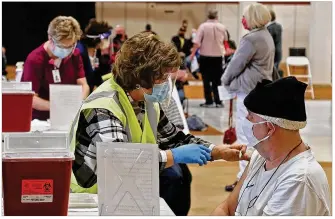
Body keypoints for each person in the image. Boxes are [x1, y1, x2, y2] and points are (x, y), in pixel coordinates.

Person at [69, 32, 249, 216]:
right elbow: (121, 164)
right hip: (91, 201)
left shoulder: (147, 100)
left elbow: (173, 138)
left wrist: (216, 151)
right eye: (161, 76)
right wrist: (173, 156)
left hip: (123, 193)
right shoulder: (103, 107)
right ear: (140, 78)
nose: (166, 82)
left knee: (180, 176)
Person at [212, 77, 331, 216]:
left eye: (250, 117)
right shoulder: (260, 156)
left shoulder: (299, 180)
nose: (246, 122)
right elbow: (227, 208)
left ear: (269, 128)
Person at [222, 3, 275, 192]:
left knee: (246, 136)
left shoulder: (251, 39)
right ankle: (253, 176)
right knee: (256, 135)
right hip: (260, 90)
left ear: (252, 18)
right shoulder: (266, 36)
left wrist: (225, 81)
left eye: (244, 16)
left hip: (247, 92)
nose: (242, 20)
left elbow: (236, 64)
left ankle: (244, 180)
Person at [22, 16, 90, 121]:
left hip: (69, 118)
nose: (67, 51)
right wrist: (56, 107)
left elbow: (83, 84)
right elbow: (30, 99)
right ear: (50, 38)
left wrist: (81, 101)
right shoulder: (35, 60)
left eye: (71, 46)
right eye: (62, 46)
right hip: (42, 121)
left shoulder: (75, 55)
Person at [190, 9, 227, 108]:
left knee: (206, 80)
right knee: (217, 80)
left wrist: (192, 54)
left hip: (205, 57)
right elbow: (225, 41)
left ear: (208, 16)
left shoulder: (203, 26)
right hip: (218, 57)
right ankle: (218, 102)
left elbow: (197, 43)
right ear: (217, 17)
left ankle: (209, 101)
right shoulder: (222, 27)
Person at [77, 19, 113, 92]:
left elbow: (97, 74)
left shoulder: (97, 51)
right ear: (97, 39)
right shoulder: (80, 51)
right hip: (81, 91)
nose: (107, 41)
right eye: (105, 38)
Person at [267, 8, 283, 77]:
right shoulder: (279, 26)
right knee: (275, 70)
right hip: (279, 51)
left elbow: (270, 42)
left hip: (272, 52)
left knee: (272, 73)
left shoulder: (269, 28)